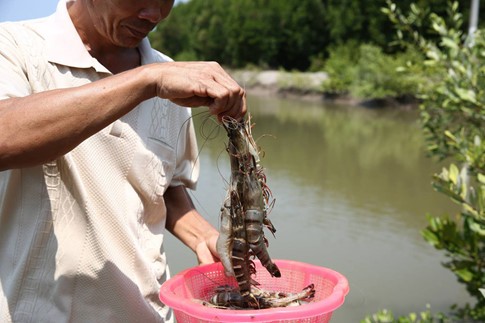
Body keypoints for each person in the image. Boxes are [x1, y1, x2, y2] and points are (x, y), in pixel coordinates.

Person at [0, 0, 246, 321]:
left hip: (147, 312)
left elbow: (163, 186)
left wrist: (204, 237)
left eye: (165, 1)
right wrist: (147, 82)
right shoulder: (15, 46)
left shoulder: (167, 75)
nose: (153, 15)